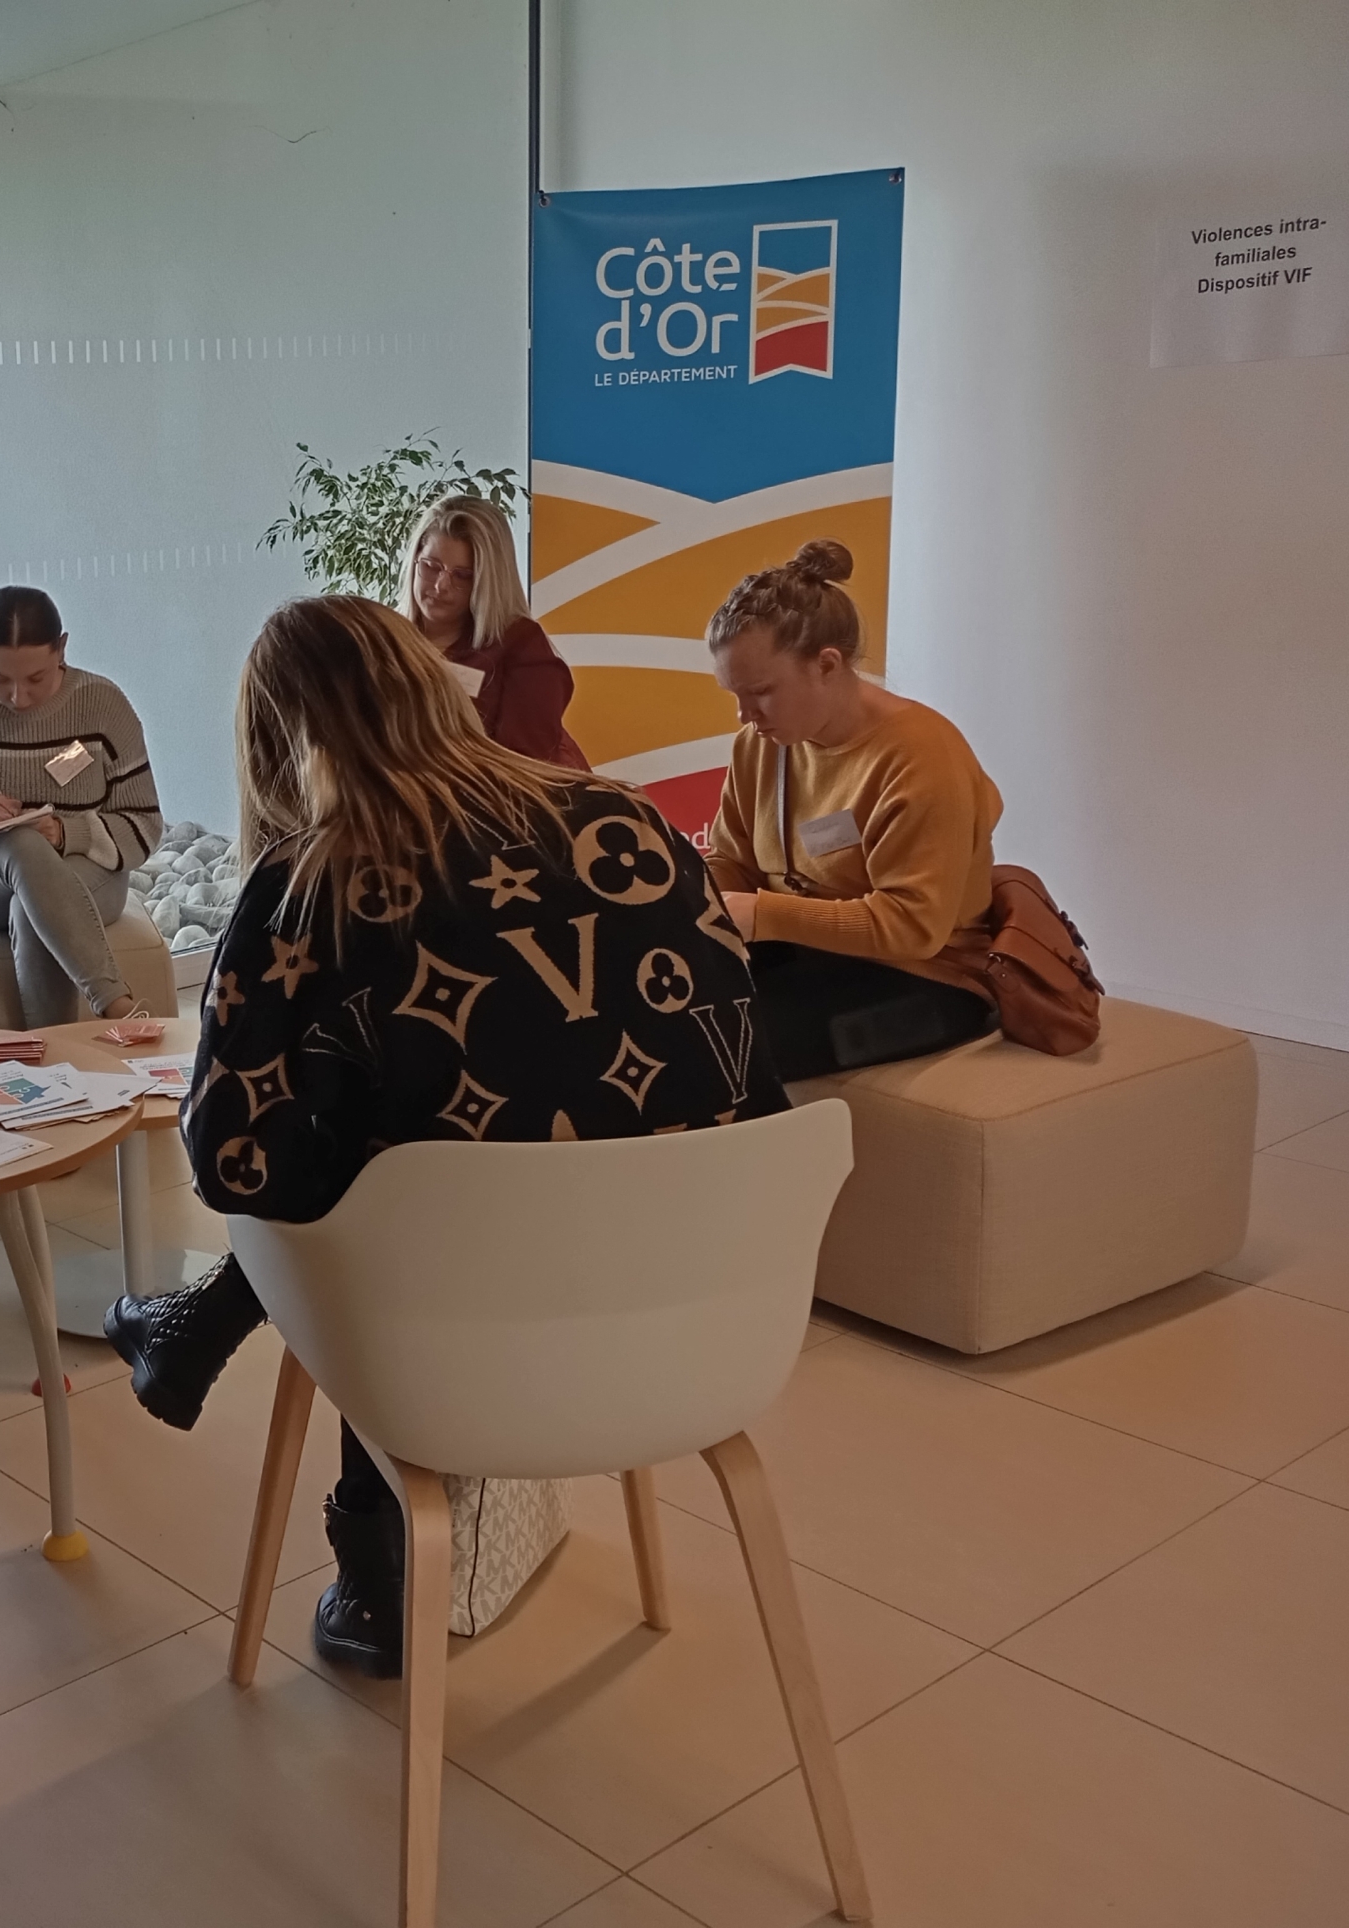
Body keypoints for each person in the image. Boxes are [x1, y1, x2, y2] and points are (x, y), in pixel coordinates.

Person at [105, 595, 785, 1678]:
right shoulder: (632, 822)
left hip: (455, 1357)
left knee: (360, 1172)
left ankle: (372, 1566)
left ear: (282, 742)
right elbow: (747, 1076)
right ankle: (205, 1343)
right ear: (430, 685)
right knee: (416, 1150)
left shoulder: (307, 884)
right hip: (693, 1324)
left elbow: (236, 1163)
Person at [705, 539, 1002, 1081]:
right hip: (807, 951)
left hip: (930, 978)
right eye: (734, 694)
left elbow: (913, 928)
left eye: (761, 691)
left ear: (826, 664)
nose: (745, 715)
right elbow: (732, 861)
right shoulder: (760, 745)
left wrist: (761, 915)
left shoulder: (922, 756)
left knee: (720, 1045)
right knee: (648, 1011)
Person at [0, 585, 163, 1024]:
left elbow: (146, 826)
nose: (17, 697)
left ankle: (50, 1057)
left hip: (84, 871)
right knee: (22, 846)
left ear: (62, 648)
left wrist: (66, 833)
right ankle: (116, 1005)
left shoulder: (105, 707)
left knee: (33, 904)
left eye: (35, 679)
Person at [399, 493, 588, 768]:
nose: (441, 586)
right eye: (431, 567)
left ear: (488, 581)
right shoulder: (380, 638)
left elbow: (524, 766)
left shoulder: (523, 646)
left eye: (462, 576)